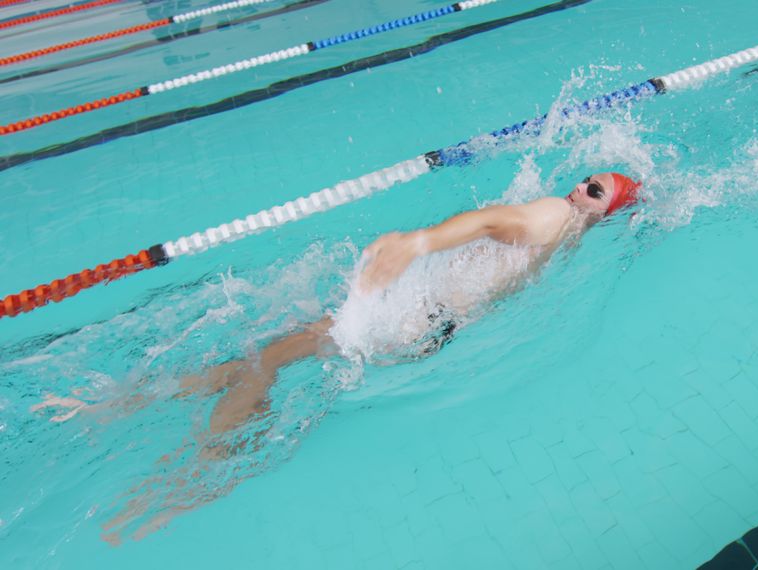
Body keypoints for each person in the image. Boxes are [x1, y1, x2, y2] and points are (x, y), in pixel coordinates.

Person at [31, 172, 642, 539]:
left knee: (264, 363)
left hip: (408, 318)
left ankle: (190, 480)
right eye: (585, 177)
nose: (576, 187)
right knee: (265, 353)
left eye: (593, 189)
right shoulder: (574, 237)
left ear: (600, 208)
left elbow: (495, 220)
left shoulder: (552, 215)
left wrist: (417, 241)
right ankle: (124, 412)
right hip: (427, 324)